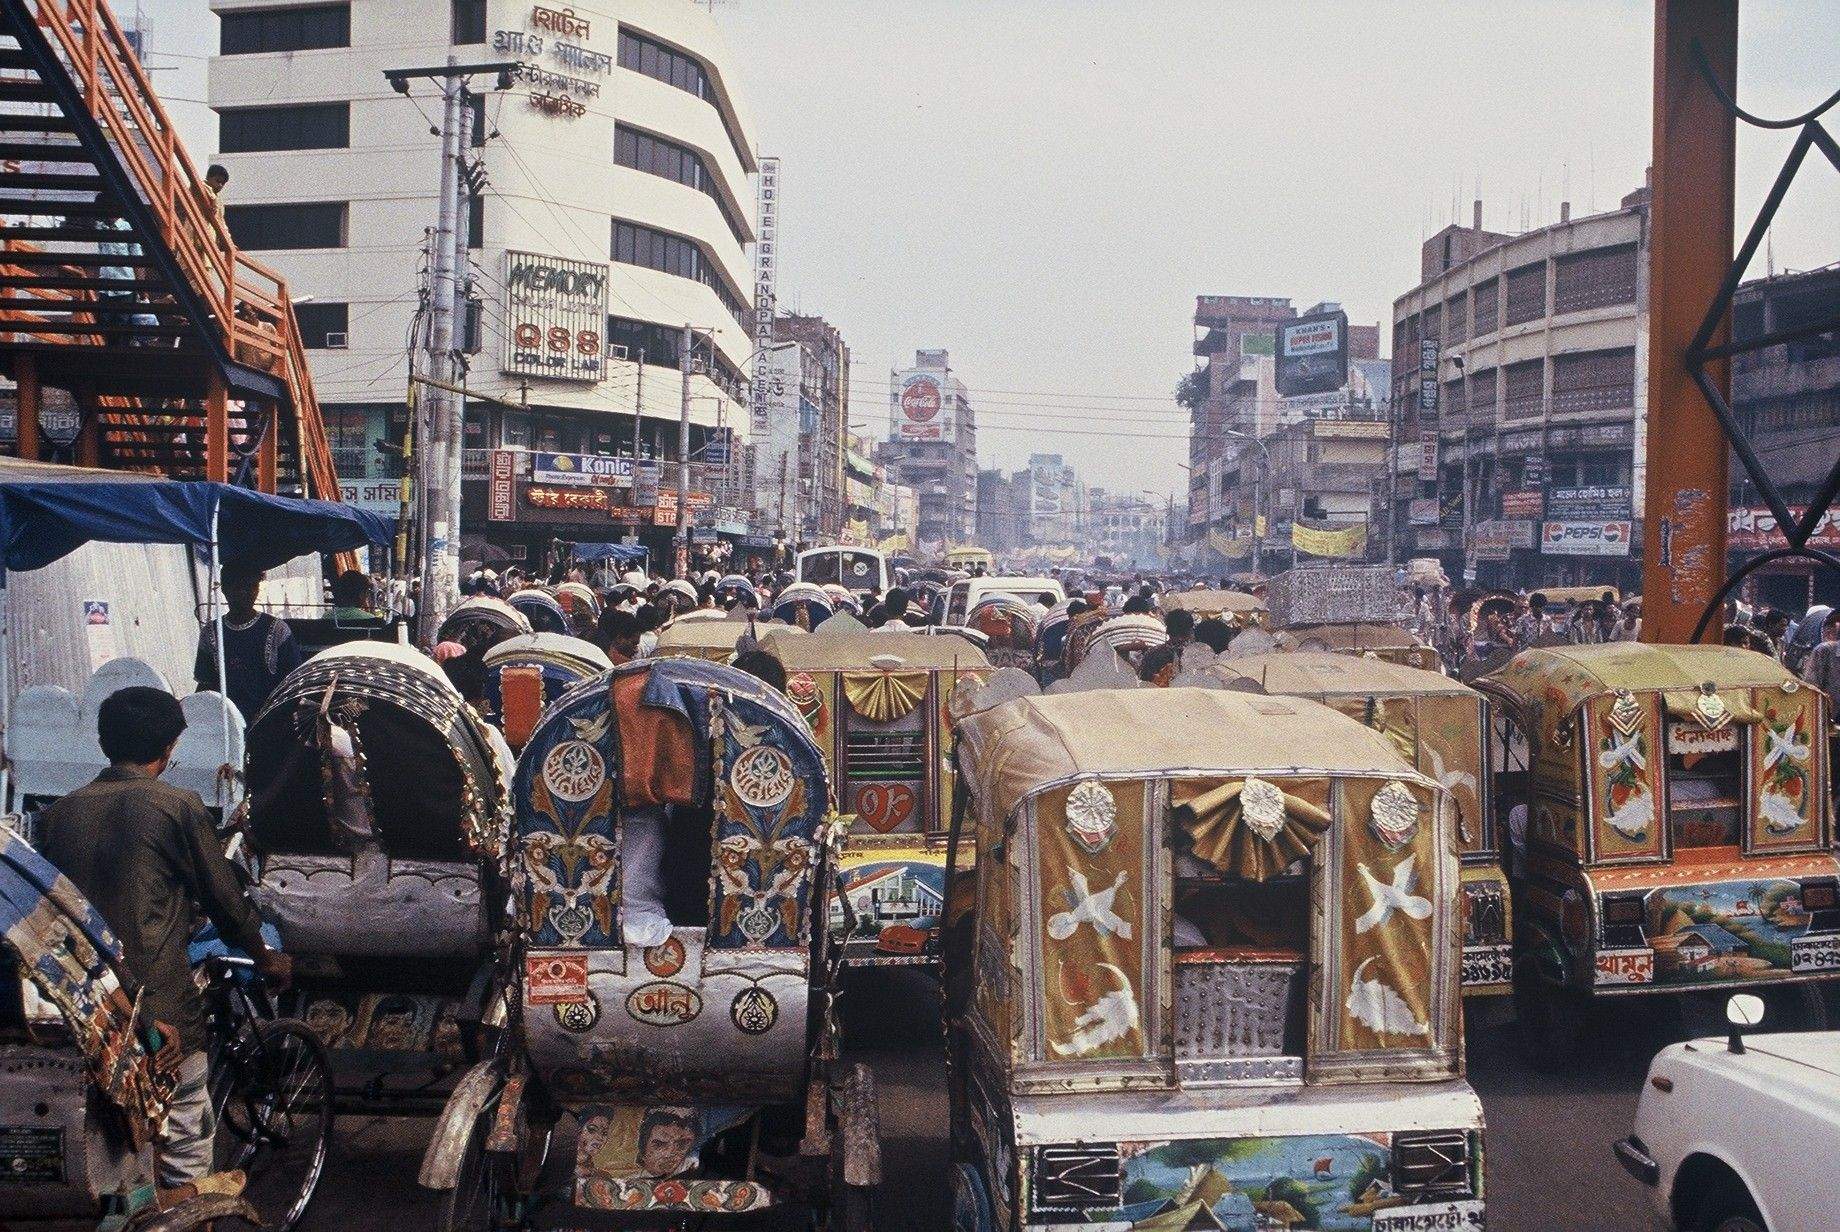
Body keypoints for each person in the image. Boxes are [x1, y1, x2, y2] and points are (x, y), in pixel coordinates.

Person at [39, 687, 291, 1194]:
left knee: (109, 1154)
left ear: (104, 741)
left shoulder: (57, 816)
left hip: (84, 1011)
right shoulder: (176, 806)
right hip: (158, 1010)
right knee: (185, 1145)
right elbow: (223, 899)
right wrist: (265, 957)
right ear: (170, 747)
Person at [195, 564, 301, 722]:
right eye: (240, 587)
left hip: (271, 722)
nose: (248, 593)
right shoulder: (210, 633)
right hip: (225, 722)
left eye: (253, 586)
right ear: (225, 590)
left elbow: (293, 684)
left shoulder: (278, 630)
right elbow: (205, 684)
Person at [1136, 609, 1194, 684]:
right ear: (1190, 632)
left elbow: (1143, 681)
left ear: (1167, 630)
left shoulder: (1153, 653)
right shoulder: (1199, 655)